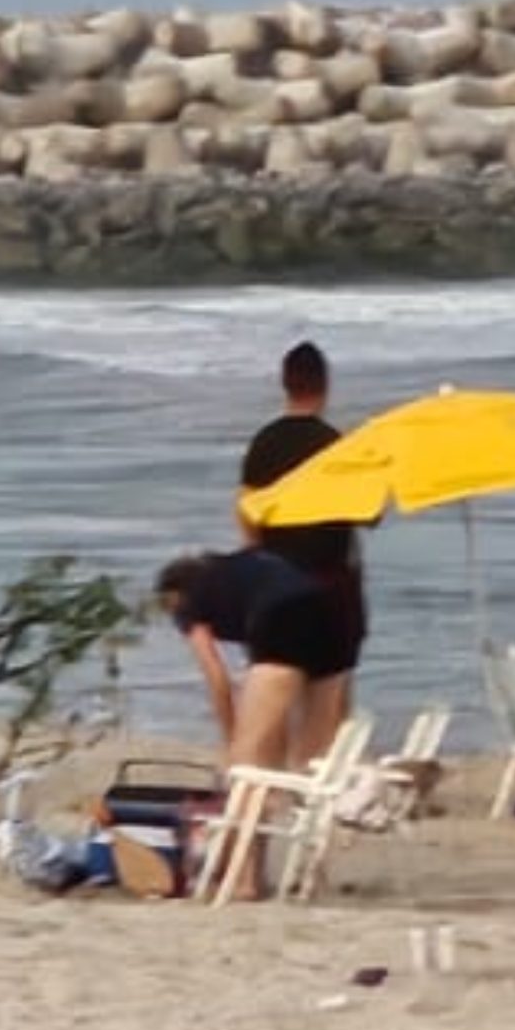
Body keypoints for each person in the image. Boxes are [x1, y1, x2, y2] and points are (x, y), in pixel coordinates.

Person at [155, 546, 353, 896]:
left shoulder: (189, 600)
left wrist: (233, 739)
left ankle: (247, 880)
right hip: (335, 620)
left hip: (283, 619)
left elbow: (217, 677)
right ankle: (312, 875)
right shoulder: (239, 575)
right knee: (312, 767)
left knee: (248, 769)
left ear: (174, 595)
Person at [237, 340, 367, 761]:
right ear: (325, 386)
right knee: (325, 705)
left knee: (269, 700)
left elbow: (247, 511)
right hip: (331, 587)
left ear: (285, 384)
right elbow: (368, 512)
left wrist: (260, 555)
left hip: (274, 585)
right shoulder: (337, 445)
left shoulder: (265, 443)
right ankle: (307, 791)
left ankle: (263, 791)